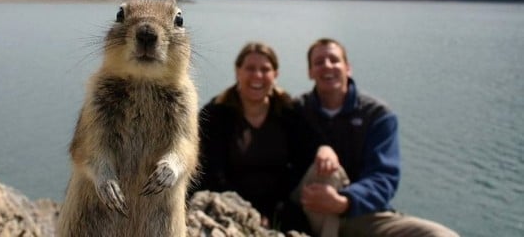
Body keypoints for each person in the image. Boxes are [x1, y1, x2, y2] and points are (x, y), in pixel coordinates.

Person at [292, 38, 459, 237]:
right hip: (310, 209)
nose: (327, 65)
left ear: (348, 68)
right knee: (327, 172)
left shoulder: (377, 115)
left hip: (359, 212)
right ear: (310, 72)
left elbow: (384, 177)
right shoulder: (297, 110)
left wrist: (344, 202)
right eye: (319, 62)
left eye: (334, 60)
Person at [193, 41, 305, 231]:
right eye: (250, 68)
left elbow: (305, 158)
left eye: (265, 69)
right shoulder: (215, 114)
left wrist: (272, 210)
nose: (257, 75)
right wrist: (247, 211)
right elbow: (210, 171)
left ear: (275, 75)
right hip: (226, 201)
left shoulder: (289, 112)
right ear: (238, 71)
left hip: (279, 204)